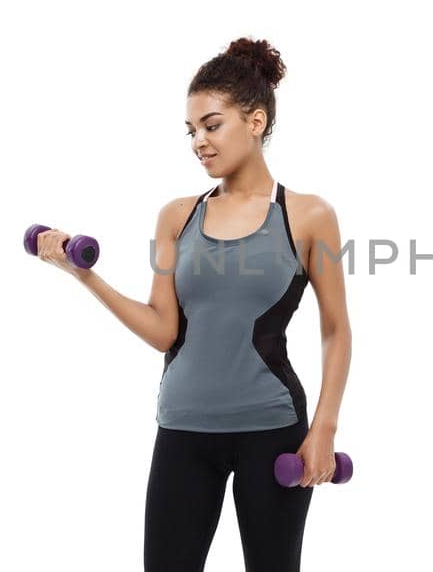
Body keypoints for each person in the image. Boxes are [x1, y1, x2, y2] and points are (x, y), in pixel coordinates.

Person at [33, 37, 352, 572]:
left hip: (271, 427)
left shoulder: (307, 215)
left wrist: (323, 430)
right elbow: (163, 330)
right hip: (182, 426)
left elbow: (336, 330)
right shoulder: (176, 216)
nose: (199, 141)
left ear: (254, 122)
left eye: (212, 124)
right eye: (191, 131)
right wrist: (83, 275)